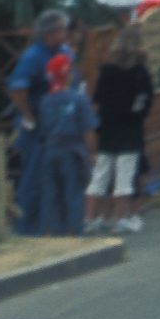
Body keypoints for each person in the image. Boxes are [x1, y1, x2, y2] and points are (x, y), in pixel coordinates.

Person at [14, 52, 96, 237]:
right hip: (73, 149)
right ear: (68, 74)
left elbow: (43, 127)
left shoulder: (45, 101)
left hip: (50, 149)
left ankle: (49, 230)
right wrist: (91, 152)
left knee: (50, 191)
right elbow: (88, 130)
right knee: (73, 189)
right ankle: (72, 230)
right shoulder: (78, 99)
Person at [89, 31, 153, 234]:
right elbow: (144, 104)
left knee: (100, 175)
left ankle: (91, 219)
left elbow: (97, 100)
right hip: (130, 129)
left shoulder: (106, 70)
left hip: (107, 128)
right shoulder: (141, 73)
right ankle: (120, 219)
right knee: (124, 177)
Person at [6, 8, 75, 135]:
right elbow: (17, 89)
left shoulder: (66, 51)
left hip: (62, 118)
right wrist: (28, 116)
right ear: (48, 33)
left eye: (65, 29)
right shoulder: (33, 56)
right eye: (61, 29)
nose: (65, 33)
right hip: (39, 120)